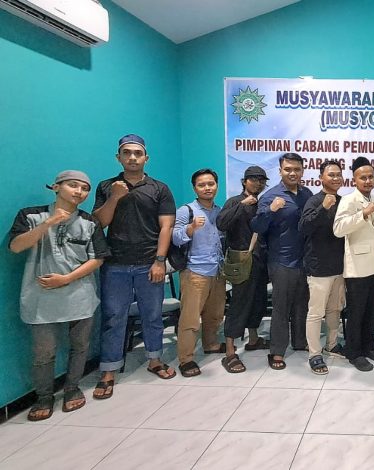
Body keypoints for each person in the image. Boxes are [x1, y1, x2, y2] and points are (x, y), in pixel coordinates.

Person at [9, 171, 110, 421]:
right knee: (44, 352)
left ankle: (72, 388)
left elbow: (98, 258)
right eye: (73, 185)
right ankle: (44, 396)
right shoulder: (31, 216)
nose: (79, 192)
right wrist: (48, 224)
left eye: (84, 188)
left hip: (79, 294)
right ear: (56, 187)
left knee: (80, 346)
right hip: (41, 296)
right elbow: (16, 246)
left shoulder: (89, 222)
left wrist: (66, 279)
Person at [92, 134, 177, 399]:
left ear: (146, 158)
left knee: (152, 315)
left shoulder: (159, 188)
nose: (132, 157)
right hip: (115, 263)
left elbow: (166, 226)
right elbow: (99, 223)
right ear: (118, 157)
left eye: (137, 153)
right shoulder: (106, 186)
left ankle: (155, 359)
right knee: (113, 317)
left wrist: (160, 261)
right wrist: (114, 197)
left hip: (149, 263)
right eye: (126, 153)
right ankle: (109, 370)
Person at [251, 152, 313, 370]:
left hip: (304, 260)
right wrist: (270, 210)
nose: (292, 173)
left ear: (302, 171)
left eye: (296, 169)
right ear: (280, 171)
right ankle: (277, 350)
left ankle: (300, 341)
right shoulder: (270, 196)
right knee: (281, 307)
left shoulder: (307, 194)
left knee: (302, 304)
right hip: (281, 261)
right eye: (288, 169)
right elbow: (257, 227)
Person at [333, 157, 374, 371]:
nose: (367, 180)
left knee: (371, 311)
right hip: (357, 267)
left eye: (371, 176)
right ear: (354, 180)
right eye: (363, 177)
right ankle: (353, 352)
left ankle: (368, 347)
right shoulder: (349, 200)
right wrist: (362, 213)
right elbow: (338, 229)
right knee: (356, 313)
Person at [172, 169, 226, 377]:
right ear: (195, 188)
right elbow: (175, 237)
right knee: (190, 318)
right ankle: (186, 359)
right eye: (202, 185)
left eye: (211, 184)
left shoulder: (219, 211)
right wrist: (191, 228)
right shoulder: (186, 211)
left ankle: (210, 344)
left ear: (216, 185)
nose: (207, 188)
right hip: (194, 271)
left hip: (217, 270)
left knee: (215, 314)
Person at [216, 165, 270, 373]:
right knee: (239, 303)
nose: (257, 183)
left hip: (260, 261)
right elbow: (221, 223)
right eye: (253, 179)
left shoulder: (263, 203)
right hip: (241, 261)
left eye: (261, 180)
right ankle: (230, 351)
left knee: (258, 301)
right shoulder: (234, 201)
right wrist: (242, 205)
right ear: (244, 181)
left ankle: (253, 339)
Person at [300, 160, 346, 375]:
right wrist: (323, 208)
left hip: (340, 266)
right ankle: (314, 353)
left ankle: (332, 344)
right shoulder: (314, 200)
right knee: (316, 312)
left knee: (335, 309)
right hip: (318, 267)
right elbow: (304, 227)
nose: (336, 178)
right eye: (331, 174)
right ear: (321, 178)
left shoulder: (344, 201)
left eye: (338, 174)